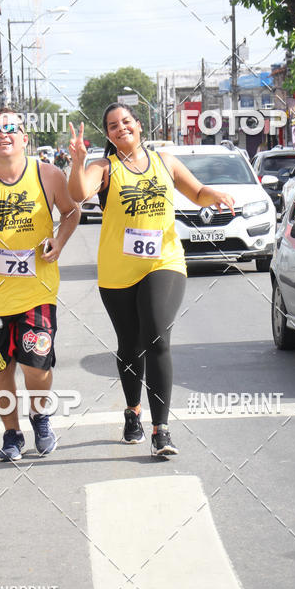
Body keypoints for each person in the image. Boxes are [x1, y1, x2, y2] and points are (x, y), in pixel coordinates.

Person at [68, 103, 235, 457]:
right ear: (108, 135)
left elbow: (197, 192)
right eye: (112, 125)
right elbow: (79, 193)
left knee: (156, 335)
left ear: (139, 126)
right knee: (130, 345)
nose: (120, 128)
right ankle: (133, 412)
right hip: (118, 270)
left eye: (126, 122)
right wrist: (77, 160)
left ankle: (162, 429)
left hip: (164, 260)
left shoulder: (165, 161)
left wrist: (214, 195)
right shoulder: (104, 168)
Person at [0, 108, 80, 461]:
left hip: (37, 292)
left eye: (11, 129)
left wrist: (60, 241)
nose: (3, 134)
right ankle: (11, 434)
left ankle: (40, 417)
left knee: (37, 368)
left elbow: (71, 211)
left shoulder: (48, 175)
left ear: (24, 137)